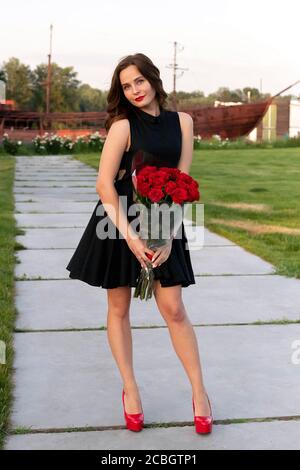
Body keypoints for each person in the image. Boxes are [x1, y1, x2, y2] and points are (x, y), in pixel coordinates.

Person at [66, 53, 212, 434]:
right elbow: (104, 184)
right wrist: (131, 238)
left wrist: (165, 233)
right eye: (126, 86)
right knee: (119, 306)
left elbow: (182, 181)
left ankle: (200, 393)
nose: (134, 90)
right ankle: (130, 389)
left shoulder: (183, 122)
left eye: (139, 81)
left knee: (174, 307)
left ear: (153, 79)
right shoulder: (122, 126)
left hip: (163, 219)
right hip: (117, 223)